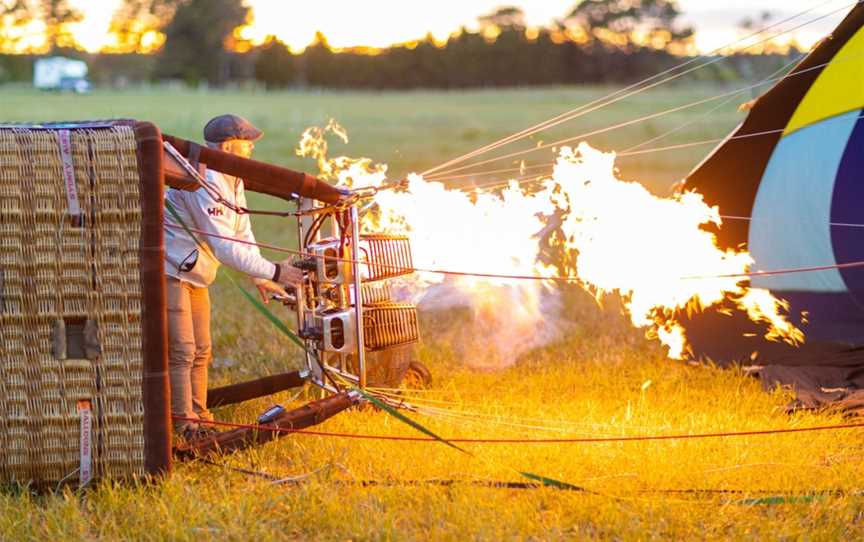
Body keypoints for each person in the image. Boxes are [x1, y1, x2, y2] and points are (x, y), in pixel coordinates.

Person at [164, 113, 302, 441]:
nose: (252, 150)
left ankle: (202, 417)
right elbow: (225, 248)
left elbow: (242, 230)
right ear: (228, 147)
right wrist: (277, 271)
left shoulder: (233, 178)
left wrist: (259, 276)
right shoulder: (206, 182)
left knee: (203, 349)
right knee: (182, 349)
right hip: (170, 270)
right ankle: (185, 426)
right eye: (247, 144)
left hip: (196, 273)